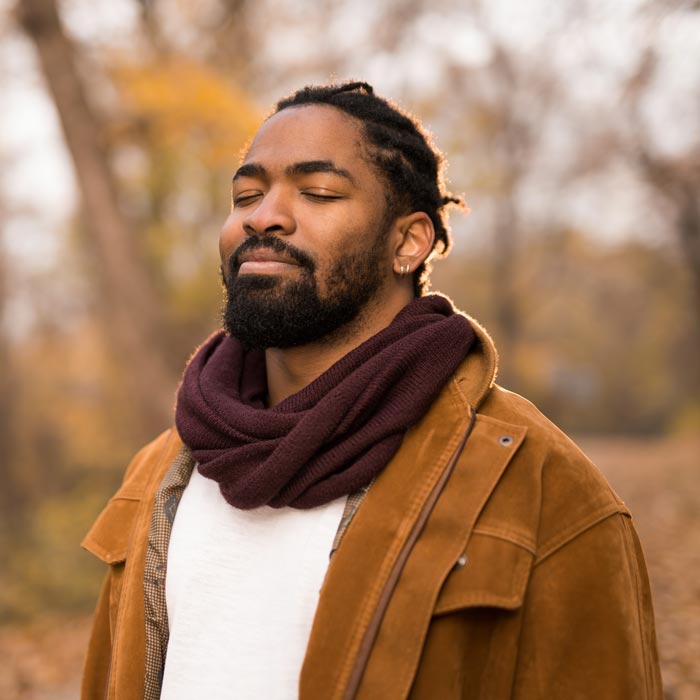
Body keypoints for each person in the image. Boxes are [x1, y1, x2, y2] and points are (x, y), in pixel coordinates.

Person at [80, 81, 662, 700]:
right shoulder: (159, 473)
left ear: (407, 242)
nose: (263, 215)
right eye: (246, 194)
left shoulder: (542, 488)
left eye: (319, 192)